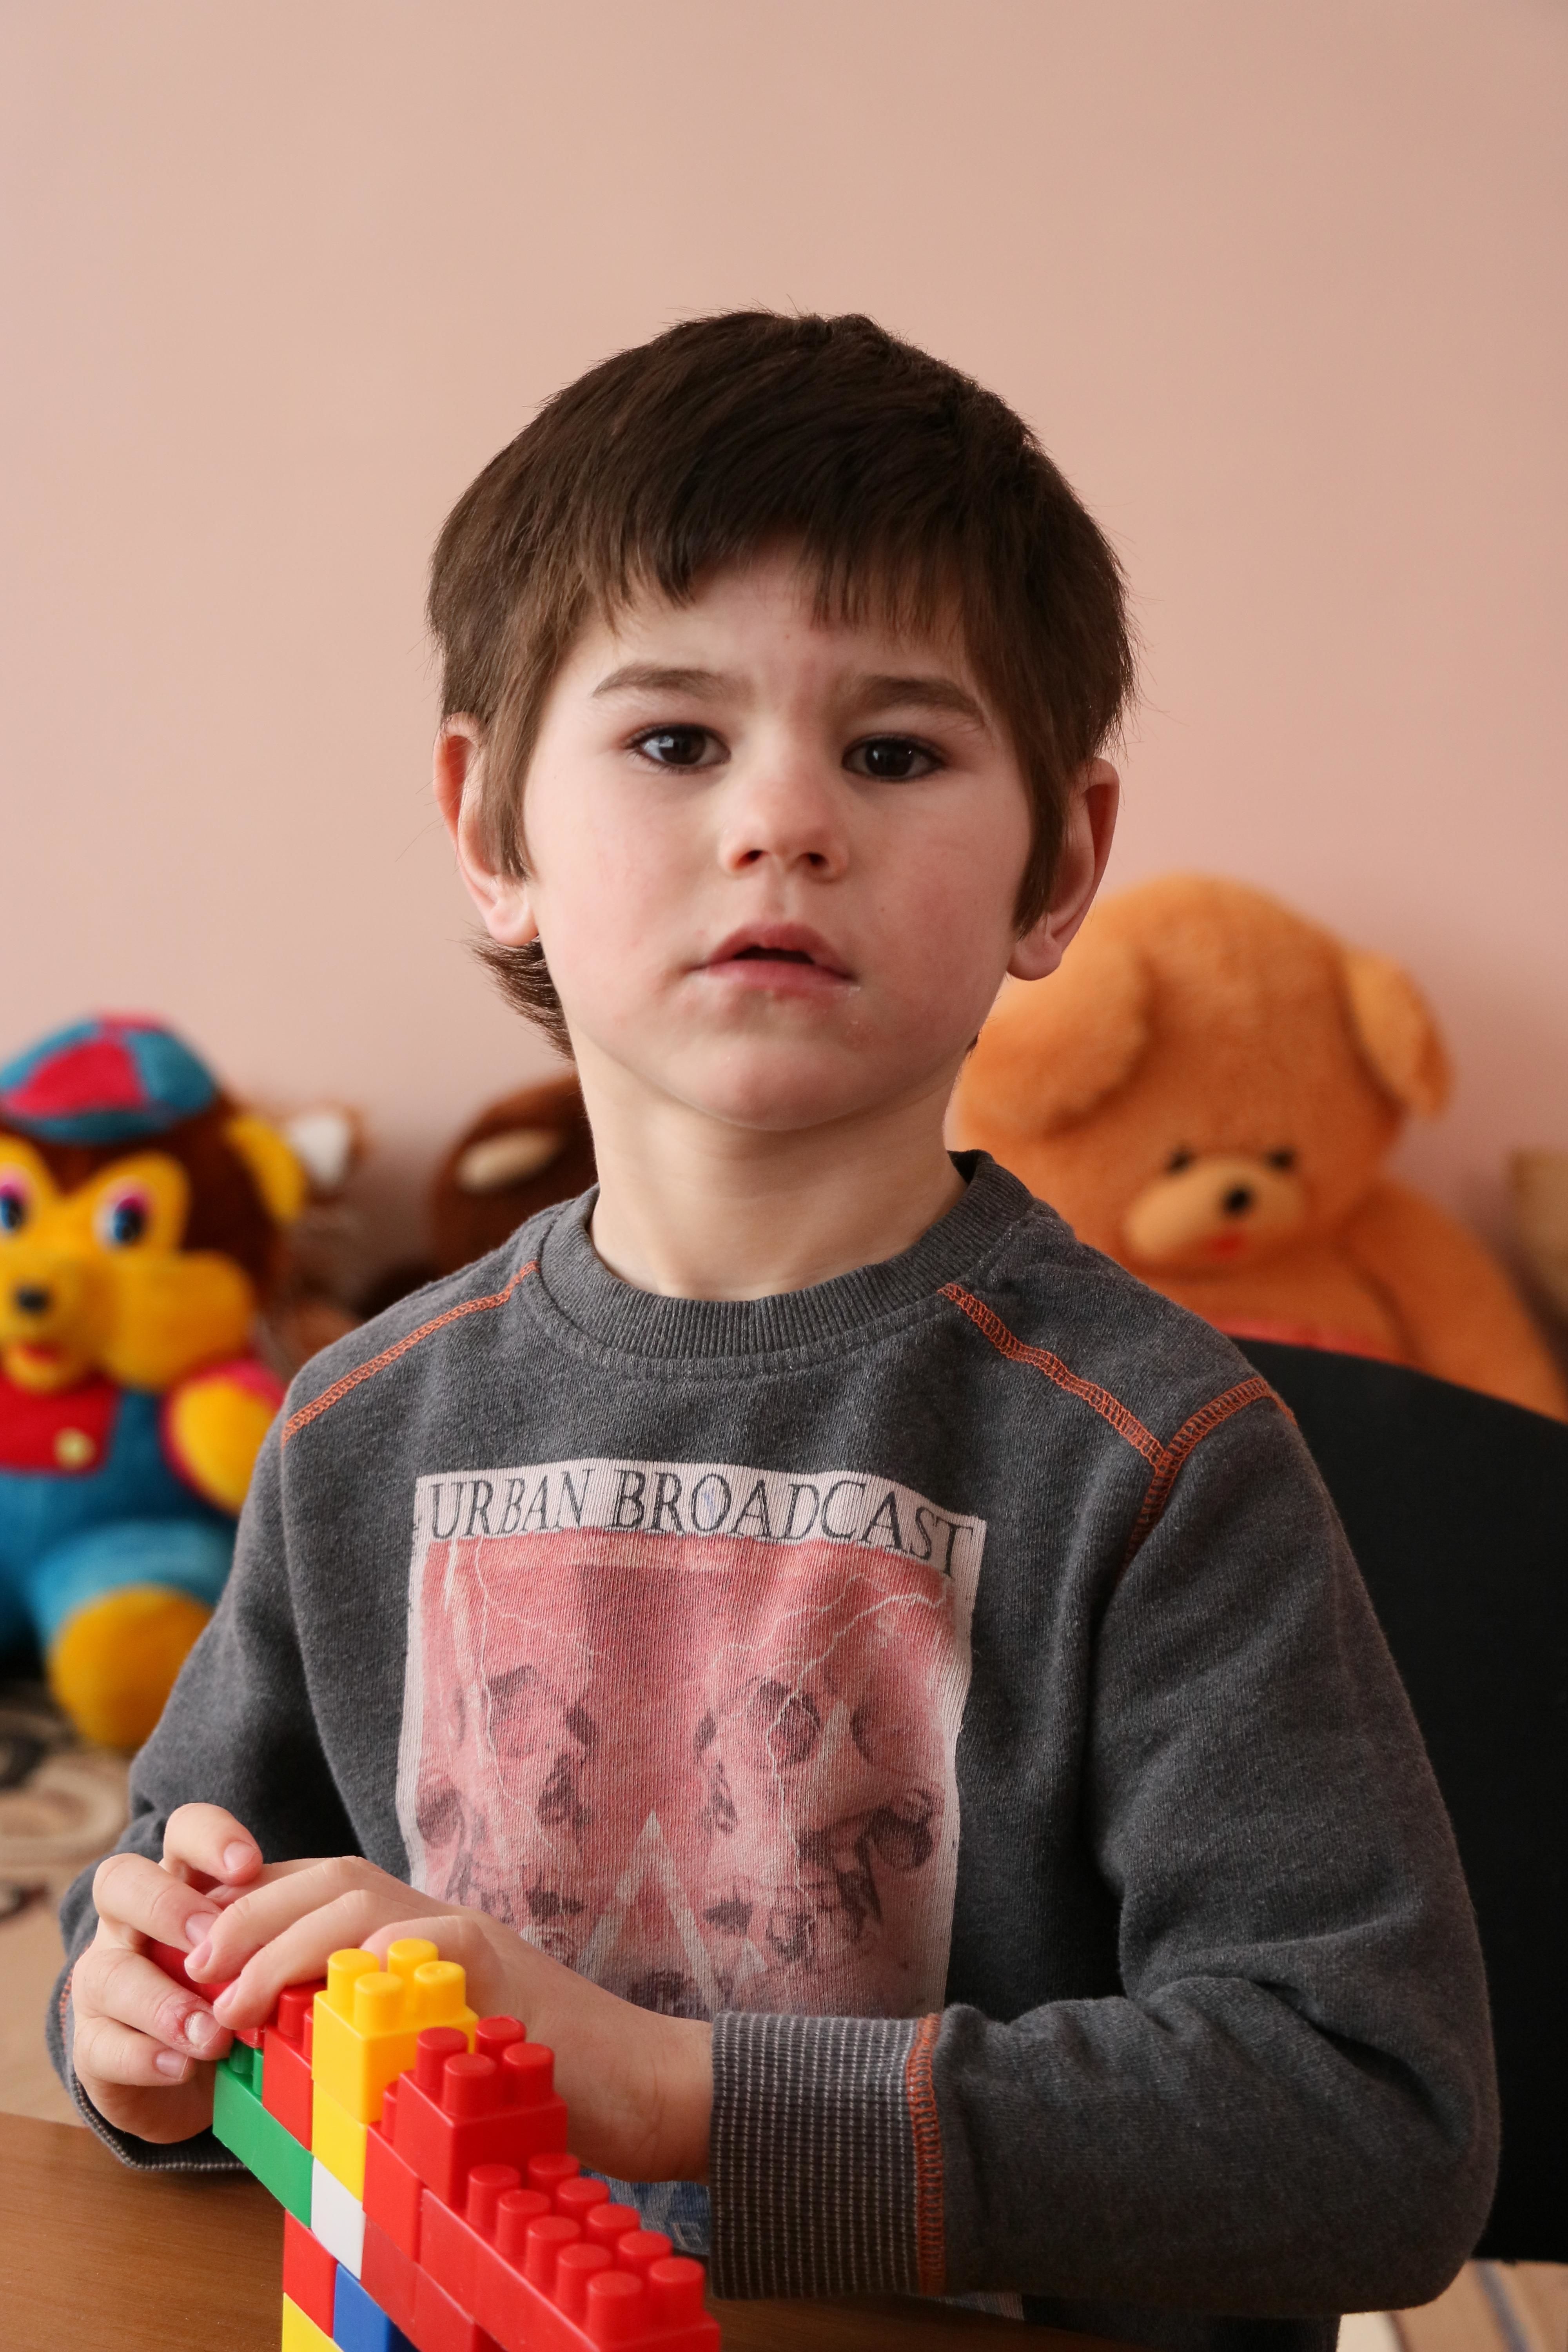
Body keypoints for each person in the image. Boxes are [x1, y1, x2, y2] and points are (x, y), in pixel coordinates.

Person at [50, 312, 1496, 2348]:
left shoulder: (1158, 1461)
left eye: (894, 754)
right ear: (491, 828)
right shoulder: (360, 1425)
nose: (783, 821)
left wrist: (677, 2094)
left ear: (1061, 866)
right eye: (675, 741)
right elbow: (181, 1920)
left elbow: (1370, 2133)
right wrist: (131, 2027)